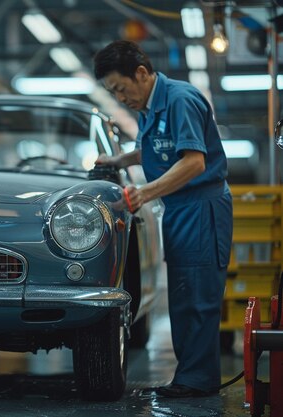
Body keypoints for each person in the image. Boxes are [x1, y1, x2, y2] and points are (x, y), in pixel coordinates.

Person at [93, 40, 232, 398]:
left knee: (198, 298)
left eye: (121, 89)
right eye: (114, 93)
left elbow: (193, 161)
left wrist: (146, 192)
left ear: (141, 73)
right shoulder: (149, 106)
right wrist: (121, 161)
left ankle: (197, 383)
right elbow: (156, 149)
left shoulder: (180, 99)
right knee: (184, 296)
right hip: (180, 208)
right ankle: (191, 378)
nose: (121, 98)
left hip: (201, 207)